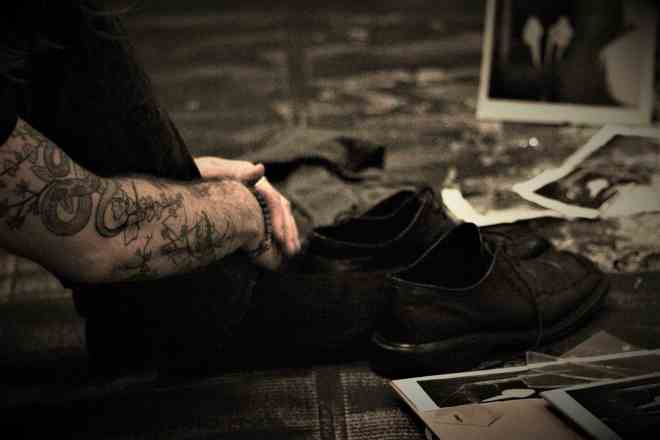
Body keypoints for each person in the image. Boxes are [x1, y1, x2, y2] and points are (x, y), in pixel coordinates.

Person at [1, 1, 608, 377]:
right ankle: (195, 310)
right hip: (171, 306)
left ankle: (175, 301)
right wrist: (238, 213)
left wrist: (180, 179)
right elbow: (90, 233)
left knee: (60, 19)